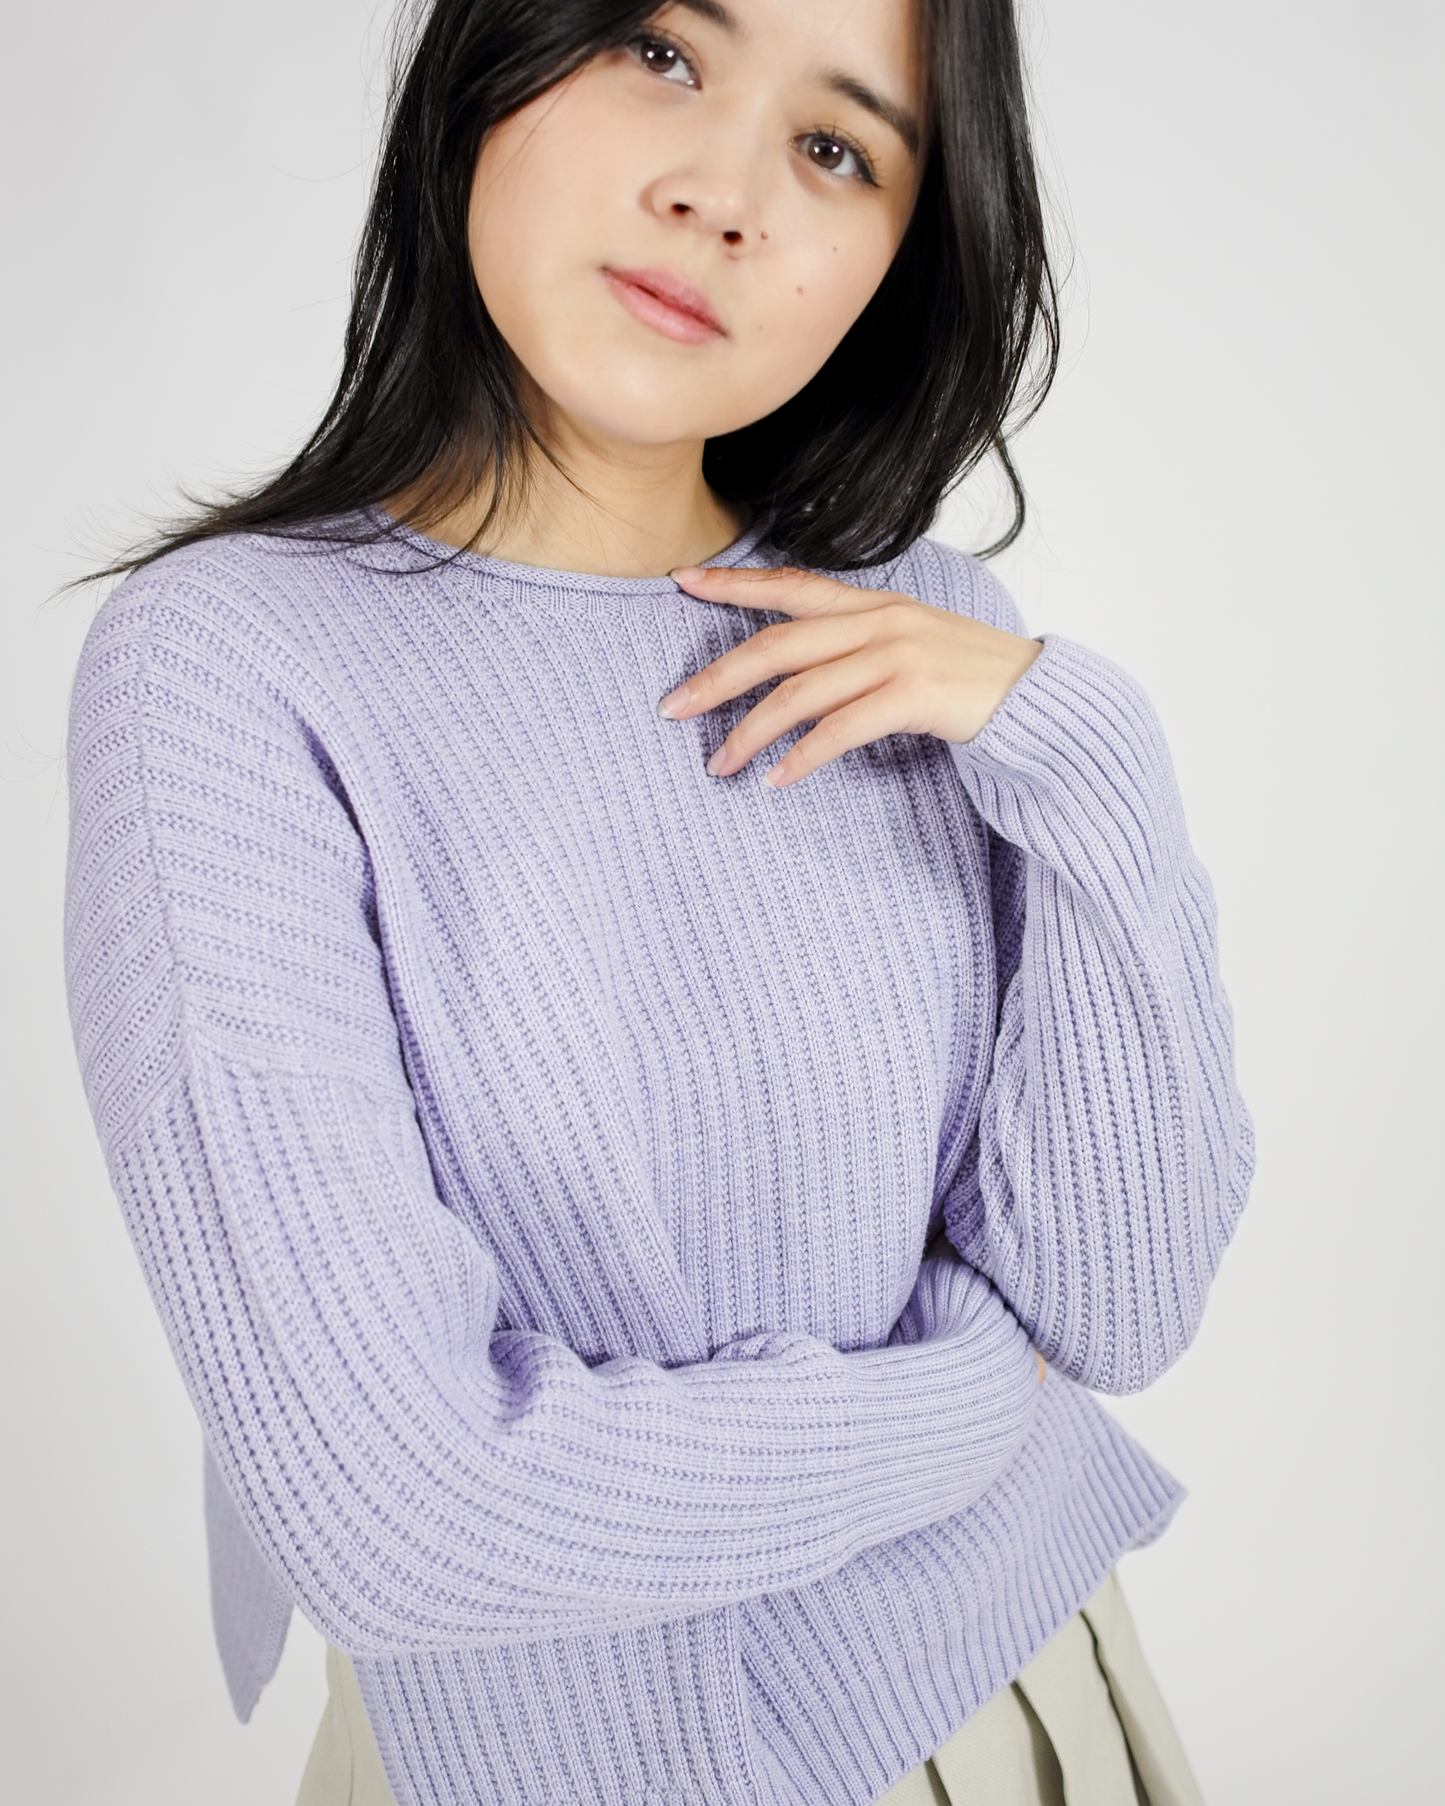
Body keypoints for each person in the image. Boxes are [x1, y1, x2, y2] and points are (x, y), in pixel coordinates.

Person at [63, 0, 1254, 1801]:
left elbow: (1119, 1306)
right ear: (491, 59)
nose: (726, 197)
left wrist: (1089, 755)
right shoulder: (234, 669)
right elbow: (401, 1517)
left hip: (1034, 1703)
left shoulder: (924, 637)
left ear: (895, 258)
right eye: (662, 51)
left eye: (838, 149)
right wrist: (969, 1407)